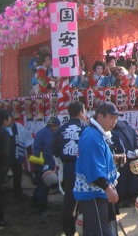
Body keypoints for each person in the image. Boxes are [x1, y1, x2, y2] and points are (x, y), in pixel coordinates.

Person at [74, 102, 123, 236]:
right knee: (100, 232)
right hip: (94, 193)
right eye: (111, 118)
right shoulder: (91, 136)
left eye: (116, 118)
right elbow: (93, 168)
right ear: (100, 117)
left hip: (98, 193)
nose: (114, 122)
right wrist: (107, 188)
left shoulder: (97, 134)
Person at [52, 101, 88, 236]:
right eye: (84, 111)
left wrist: (61, 162)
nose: (85, 115)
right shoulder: (86, 128)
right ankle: (84, 229)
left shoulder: (61, 129)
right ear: (80, 112)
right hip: (83, 167)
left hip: (68, 168)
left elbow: (54, 149)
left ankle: (68, 231)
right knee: (86, 198)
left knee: (69, 200)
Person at [32, 116, 60, 213]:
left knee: (40, 183)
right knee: (44, 185)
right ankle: (41, 206)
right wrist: (49, 166)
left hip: (38, 161)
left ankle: (35, 201)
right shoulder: (49, 134)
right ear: (54, 126)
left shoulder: (41, 132)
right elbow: (48, 151)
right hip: (44, 163)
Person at [112, 118, 138, 208]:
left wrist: (128, 151)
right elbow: (137, 137)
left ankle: (122, 200)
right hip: (132, 158)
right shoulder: (128, 126)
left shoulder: (114, 130)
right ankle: (130, 199)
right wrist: (136, 148)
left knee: (122, 179)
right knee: (132, 178)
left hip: (122, 159)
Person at [7, 116, 34, 197]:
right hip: (3, 157)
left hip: (16, 155)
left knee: (18, 174)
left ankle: (17, 191)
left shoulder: (19, 127)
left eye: (10, 118)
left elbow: (27, 140)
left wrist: (29, 153)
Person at [0, 110, 12, 227]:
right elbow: (4, 153)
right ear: (4, 120)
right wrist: (4, 167)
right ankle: (0, 219)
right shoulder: (4, 133)